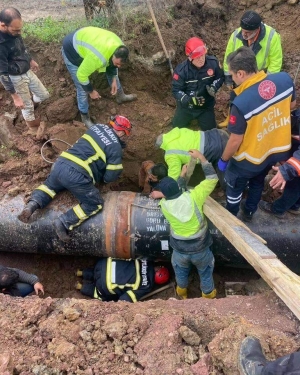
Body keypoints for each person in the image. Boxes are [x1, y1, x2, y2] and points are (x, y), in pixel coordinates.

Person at [17, 115, 132, 242]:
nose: (124, 137)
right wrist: (103, 180)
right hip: (77, 175)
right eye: (124, 134)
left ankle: (31, 206)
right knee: (95, 204)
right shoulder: (115, 147)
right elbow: (111, 175)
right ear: (121, 131)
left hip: (60, 164)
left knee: (49, 187)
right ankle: (63, 222)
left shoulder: (97, 127)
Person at [218, 46, 296, 221]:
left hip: (248, 159)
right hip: (274, 151)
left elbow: (235, 140)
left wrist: (224, 160)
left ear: (241, 74)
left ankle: (231, 214)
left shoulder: (241, 102)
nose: (231, 79)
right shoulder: (284, 80)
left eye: (232, 75)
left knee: (234, 184)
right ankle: (250, 211)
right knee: (258, 181)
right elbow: (291, 106)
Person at [151, 150, 218, 300]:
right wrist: (202, 158)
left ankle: (182, 295)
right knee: (205, 273)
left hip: (180, 250)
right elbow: (212, 178)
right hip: (200, 248)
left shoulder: (164, 205)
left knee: (180, 273)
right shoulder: (195, 196)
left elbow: (173, 194)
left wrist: (181, 175)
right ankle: (208, 297)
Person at [61, 26, 137, 128]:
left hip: (87, 41)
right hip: (72, 51)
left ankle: (120, 96)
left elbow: (112, 65)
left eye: (121, 65)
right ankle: (85, 118)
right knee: (82, 88)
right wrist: (91, 91)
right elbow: (81, 75)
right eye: (118, 63)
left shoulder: (120, 47)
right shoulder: (98, 57)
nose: (119, 66)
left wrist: (114, 78)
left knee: (113, 69)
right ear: (114, 55)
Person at [0, 7, 50, 134]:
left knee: (44, 95)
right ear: (3, 25)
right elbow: (3, 74)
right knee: (26, 106)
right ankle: (33, 129)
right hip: (15, 77)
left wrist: (30, 59)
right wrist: (15, 97)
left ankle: (31, 102)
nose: (19, 32)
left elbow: (21, 47)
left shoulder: (15, 33)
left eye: (20, 29)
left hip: (26, 70)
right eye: (16, 30)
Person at [172, 37, 224, 130]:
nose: (201, 59)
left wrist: (214, 87)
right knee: (176, 129)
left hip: (206, 107)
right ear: (190, 57)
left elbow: (220, 77)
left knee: (211, 132)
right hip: (186, 108)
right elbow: (176, 90)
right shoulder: (181, 71)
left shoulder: (213, 63)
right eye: (197, 57)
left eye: (202, 55)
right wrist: (188, 100)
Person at [223, 10, 283, 89]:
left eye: (247, 32)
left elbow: (276, 61)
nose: (243, 34)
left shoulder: (272, 37)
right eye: (242, 30)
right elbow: (229, 56)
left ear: (257, 30)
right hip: (241, 75)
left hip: (261, 75)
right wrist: (228, 77)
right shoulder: (235, 35)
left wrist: (267, 81)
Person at [75, 257, 170, 303]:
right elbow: (126, 298)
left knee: (101, 272)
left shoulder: (146, 259)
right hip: (104, 284)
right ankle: (81, 287)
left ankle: (82, 272)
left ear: (158, 267)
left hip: (103, 263)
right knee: (104, 295)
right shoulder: (146, 286)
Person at [156, 126, 228, 184]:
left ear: (161, 147)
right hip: (217, 134)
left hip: (216, 149)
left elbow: (174, 173)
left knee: (226, 178)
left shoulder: (170, 153)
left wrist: (167, 186)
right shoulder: (177, 131)